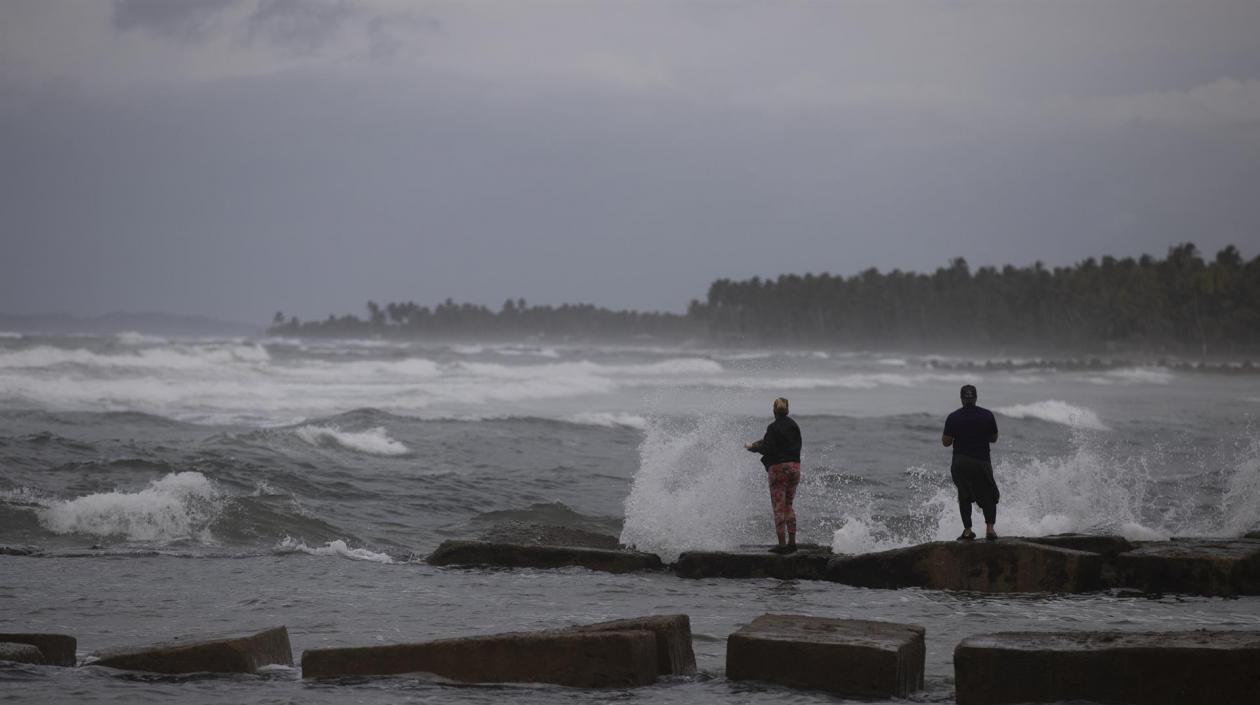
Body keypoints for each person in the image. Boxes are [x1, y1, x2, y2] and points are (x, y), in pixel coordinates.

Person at [942, 384, 1000, 541]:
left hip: (961, 462)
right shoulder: (987, 415)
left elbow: (946, 442)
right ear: (976, 398)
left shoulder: (953, 417)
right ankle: (990, 529)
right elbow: (994, 438)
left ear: (961, 399)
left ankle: (967, 531)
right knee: (988, 494)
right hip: (982, 461)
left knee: (964, 495)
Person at [745, 397, 802, 553]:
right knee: (789, 505)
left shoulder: (773, 428)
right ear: (788, 410)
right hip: (795, 467)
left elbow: (768, 448)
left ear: (774, 411)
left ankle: (782, 546)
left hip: (778, 470)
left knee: (778, 507)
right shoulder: (794, 426)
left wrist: (753, 447)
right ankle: (792, 543)